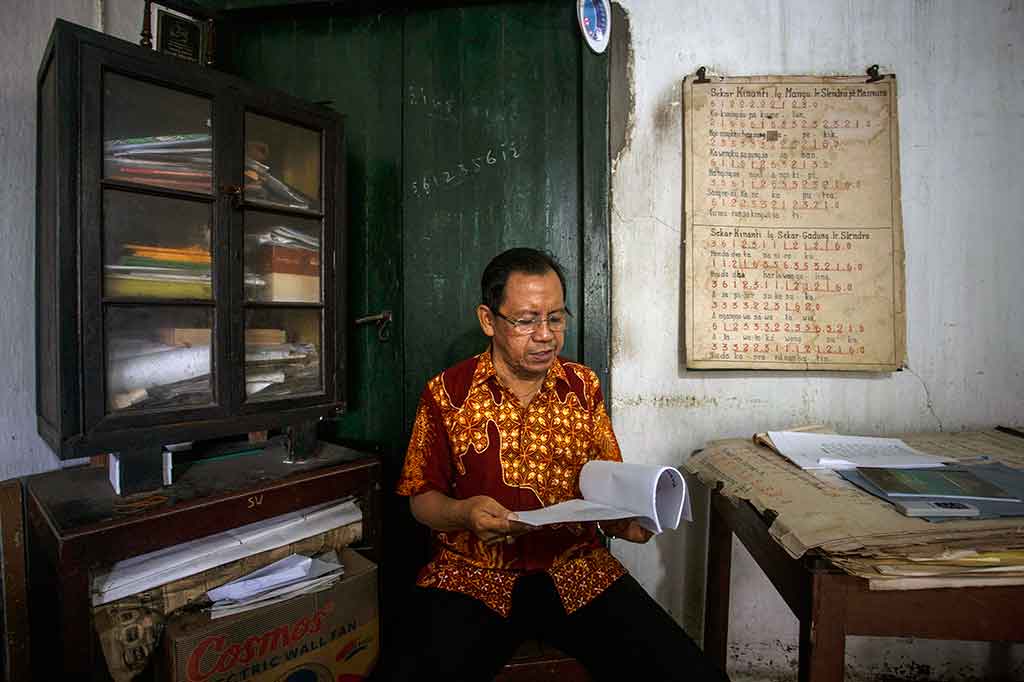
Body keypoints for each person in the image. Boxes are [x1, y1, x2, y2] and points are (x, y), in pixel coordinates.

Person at [380, 248, 729, 682]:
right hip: (473, 575)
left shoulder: (582, 387)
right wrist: (463, 514)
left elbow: (607, 483)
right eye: (526, 321)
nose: (545, 335)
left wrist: (628, 521)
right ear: (489, 320)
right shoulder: (447, 394)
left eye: (556, 318)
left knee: (691, 676)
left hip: (576, 569)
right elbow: (420, 498)